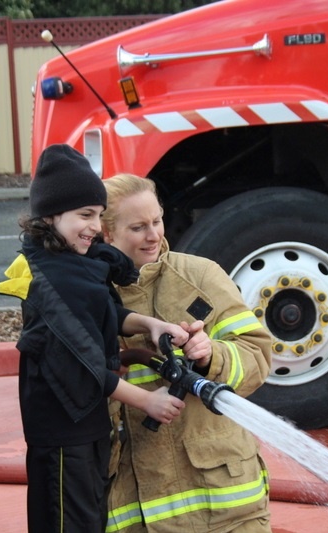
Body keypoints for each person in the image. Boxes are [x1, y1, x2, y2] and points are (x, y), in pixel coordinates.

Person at [0, 145, 190, 533]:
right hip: (65, 434)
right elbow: (82, 363)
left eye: (99, 215)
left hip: (85, 423)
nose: (94, 227)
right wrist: (148, 400)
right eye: (84, 215)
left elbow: (100, 312)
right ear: (49, 216)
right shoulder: (54, 280)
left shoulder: (68, 262)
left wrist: (149, 324)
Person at [101, 173, 273, 532]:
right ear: (107, 234)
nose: (153, 235)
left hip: (225, 507)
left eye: (157, 221)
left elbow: (257, 357)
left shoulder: (200, 277)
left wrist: (213, 356)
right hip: (135, 509)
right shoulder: (91, 295)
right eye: (138, 227)